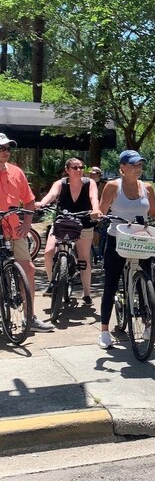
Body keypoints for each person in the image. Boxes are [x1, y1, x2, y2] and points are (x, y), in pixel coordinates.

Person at [98, 150, 155, 350]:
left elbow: (153, 212)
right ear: (122, 168)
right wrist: (97, 214)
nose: (137, 169)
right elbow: (102, 209)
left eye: (139, 165)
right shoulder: (113, 186)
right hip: (118, 238)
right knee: (111, 284)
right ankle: (104, 330)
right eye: (133, 165)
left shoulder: (146, 188)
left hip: (141, 239)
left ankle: (150, 326)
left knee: (145, 283)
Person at [0, 133, 53, 332]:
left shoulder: (16, 172)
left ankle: (29, 317)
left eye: (8, 148)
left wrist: (27, 223)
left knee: (28, 269)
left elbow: (29, 200)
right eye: (2, 149)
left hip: (14, 230)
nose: (6, 152)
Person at [36, 157, 100, 306]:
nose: (79, 170)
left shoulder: (89, 183)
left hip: (84, 223)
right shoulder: (60, 183)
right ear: (67, 170)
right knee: (49, 252)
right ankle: (53, 283)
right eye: (75, 168)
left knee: (83, 258)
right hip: (62, 222)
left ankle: (86, 293)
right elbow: (51, 195)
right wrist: (42, 203)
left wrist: (95, 210)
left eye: (81, 167)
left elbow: (93, 197)